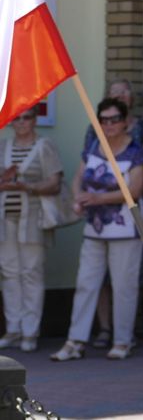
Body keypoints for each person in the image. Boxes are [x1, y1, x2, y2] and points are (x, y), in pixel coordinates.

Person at [50, 98, 143, 361]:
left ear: (126, 122)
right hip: (94, 228)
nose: (109, 124)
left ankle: (123, 341)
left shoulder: (135, 151)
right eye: (104, 120)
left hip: (125, 229)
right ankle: (75, 341)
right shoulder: (94, 146)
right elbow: (78, 178)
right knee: (85, 283)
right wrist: (78, 197)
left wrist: (97, 199)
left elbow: (135, 190)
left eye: (115, 119)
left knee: (123, 286)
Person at [86, 78, 143, 349]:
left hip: (130, 212)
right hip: (97, 216)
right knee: (100, 277)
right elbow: (87, 159)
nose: (119, 97)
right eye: (114, 93)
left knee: (130, 274)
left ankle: (127, 330)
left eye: (124, 94)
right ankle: (104, 328)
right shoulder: (95, 129)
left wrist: (130, 158)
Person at [0, 107, 63, 353]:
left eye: (26, 117)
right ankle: (13, 329)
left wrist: (28, 187)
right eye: (17, 118)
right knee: (9, 272)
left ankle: (30, 332)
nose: (22, 122)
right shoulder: (4, 146)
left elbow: (55, 183)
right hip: (5, 220)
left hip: (34, 219)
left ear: (35, 120)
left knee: (31, 273)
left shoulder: (44, 145)